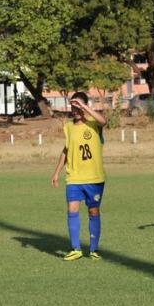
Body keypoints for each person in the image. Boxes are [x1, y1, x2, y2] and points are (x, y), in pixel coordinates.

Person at [51, 92, 107, 261]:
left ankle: (94, 249)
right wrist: (57, 171)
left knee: (93, 210)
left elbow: (104, 121)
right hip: (74, 177)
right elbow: (66, 150)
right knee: (72, 209)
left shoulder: (94, 124)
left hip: (94, 178)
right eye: (73, 106)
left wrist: (83, 106)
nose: (75, 109)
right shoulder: (68, 127)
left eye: (78, 106)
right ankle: (76, 248)